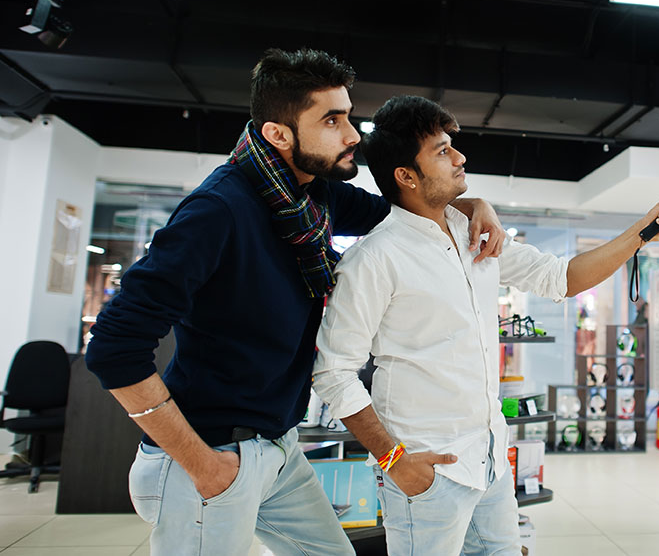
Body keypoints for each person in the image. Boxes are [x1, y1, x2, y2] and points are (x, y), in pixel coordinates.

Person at [84, 49, 505, 556]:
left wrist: (473, 204)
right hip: (210, 455)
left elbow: (409, 211)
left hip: (278, 448)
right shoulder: (217, 211)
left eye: (348, 116)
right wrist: (202, 464)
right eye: (332, 120)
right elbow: (112, 347)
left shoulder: (315, 196)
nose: (353, 135)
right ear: (278, 134)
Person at [312, 95, 659, 555]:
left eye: (452, 145)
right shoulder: (374, 259)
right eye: (441, 151)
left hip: (490, 460)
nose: (460, 156)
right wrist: (396, 462)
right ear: (406, 176)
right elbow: (334, 373)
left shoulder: (476, 233)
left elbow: (561, 278)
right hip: (429, 468)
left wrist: (642, 231)